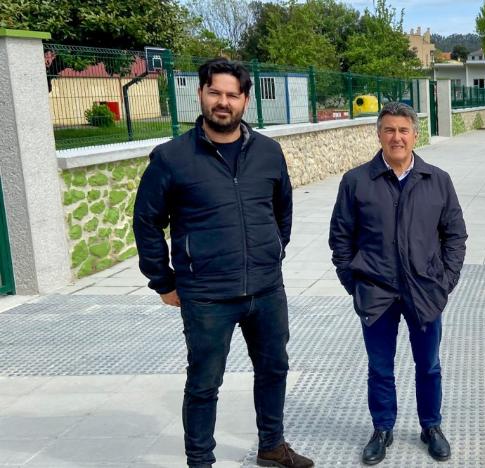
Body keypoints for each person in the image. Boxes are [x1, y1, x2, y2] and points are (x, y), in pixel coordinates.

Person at [133, 58, 313, 468]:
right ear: (200, 94)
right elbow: (146, 221)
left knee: (274, 370)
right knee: (204, 383)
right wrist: (163, 281)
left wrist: (271, 252)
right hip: (208, 296)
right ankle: (200, 462)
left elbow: (281, 211)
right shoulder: (171, 158)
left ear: (245, 100)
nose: (223, 102)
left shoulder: (268, 152)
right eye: (215, 92)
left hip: (266, 290)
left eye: (232, 94)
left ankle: (272, 445)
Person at [329, 102, 467, 465]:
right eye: (389, 130)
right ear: (378, 135)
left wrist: (445, 282)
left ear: (415, 135)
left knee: (430, 365)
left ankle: (431, 427)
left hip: (425, 293)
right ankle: (382, 429)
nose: (396, 137)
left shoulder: (437, 180)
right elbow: (340, 239)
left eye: (403, 130)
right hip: (376, 293)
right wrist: (354, 283)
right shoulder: (356, 182)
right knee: (380, 367)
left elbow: (455, 236)